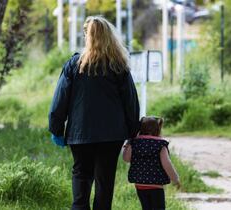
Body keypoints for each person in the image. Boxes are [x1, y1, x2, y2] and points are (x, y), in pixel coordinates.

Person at [48, 16, 140, 210]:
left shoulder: (74, 65)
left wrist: (56, 129)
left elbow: (60, 99)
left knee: (81, 175)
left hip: (79, 134)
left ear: (87, 36)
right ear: (110, 37)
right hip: (112, 135)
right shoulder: (119, 66)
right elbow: (130, 102)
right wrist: (133, 132)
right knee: (104, 182)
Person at [122, 116, 181, 210]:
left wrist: (128, 144)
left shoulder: (134, 142)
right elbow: (167, 164)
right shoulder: (160, 144)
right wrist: (175, 179)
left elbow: (126, 159)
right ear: (158, 129)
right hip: (156, 185)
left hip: (140, 184)